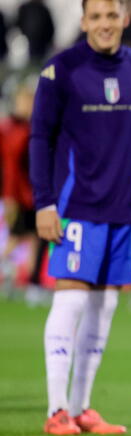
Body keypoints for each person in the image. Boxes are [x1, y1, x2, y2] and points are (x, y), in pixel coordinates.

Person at [30, 0, 131, 435]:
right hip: (77, 205)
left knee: (105, 307)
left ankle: (81, 409)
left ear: (124, 17)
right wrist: (44, 202)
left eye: (111, 15)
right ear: (83, 21)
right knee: (71, 298)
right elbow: (41, 139)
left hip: (124, 210)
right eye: (95, 17)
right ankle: (56, 410)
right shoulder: (62, 70)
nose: (104, 25)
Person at [0, 82, 49, 304]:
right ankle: (27, 281)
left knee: (36, 238)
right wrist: (10, 197)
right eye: (26, 101)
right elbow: (10, 166)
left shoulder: (31, 127)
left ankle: (33, 283)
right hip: (19, 195)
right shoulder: (10, 128)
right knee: (17, 237)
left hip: (34, 193)